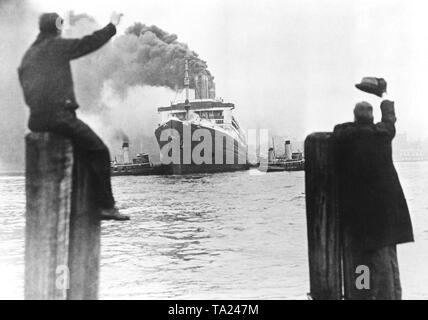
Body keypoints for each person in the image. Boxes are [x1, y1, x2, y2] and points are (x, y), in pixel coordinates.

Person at [18, 12, 130, 221]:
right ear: (57, 28)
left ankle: (68, 203)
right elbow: (88, 43)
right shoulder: (55, 47)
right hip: (59, 117)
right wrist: (112, 26)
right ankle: (106, 206)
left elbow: (26, 89)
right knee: (99, 151)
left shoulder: (28, 56)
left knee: (80, 153)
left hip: (36, 121)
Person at [333, 78, 414, 299]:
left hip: (358, 219)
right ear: (372, 119)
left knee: (362, 264)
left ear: (354, 117)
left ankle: (362, 294)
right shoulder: (383, 135)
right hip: (386, 218)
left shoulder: (344, 136)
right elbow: (389, 117)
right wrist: (384, 93)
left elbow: (339, 130)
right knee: (387, 266)